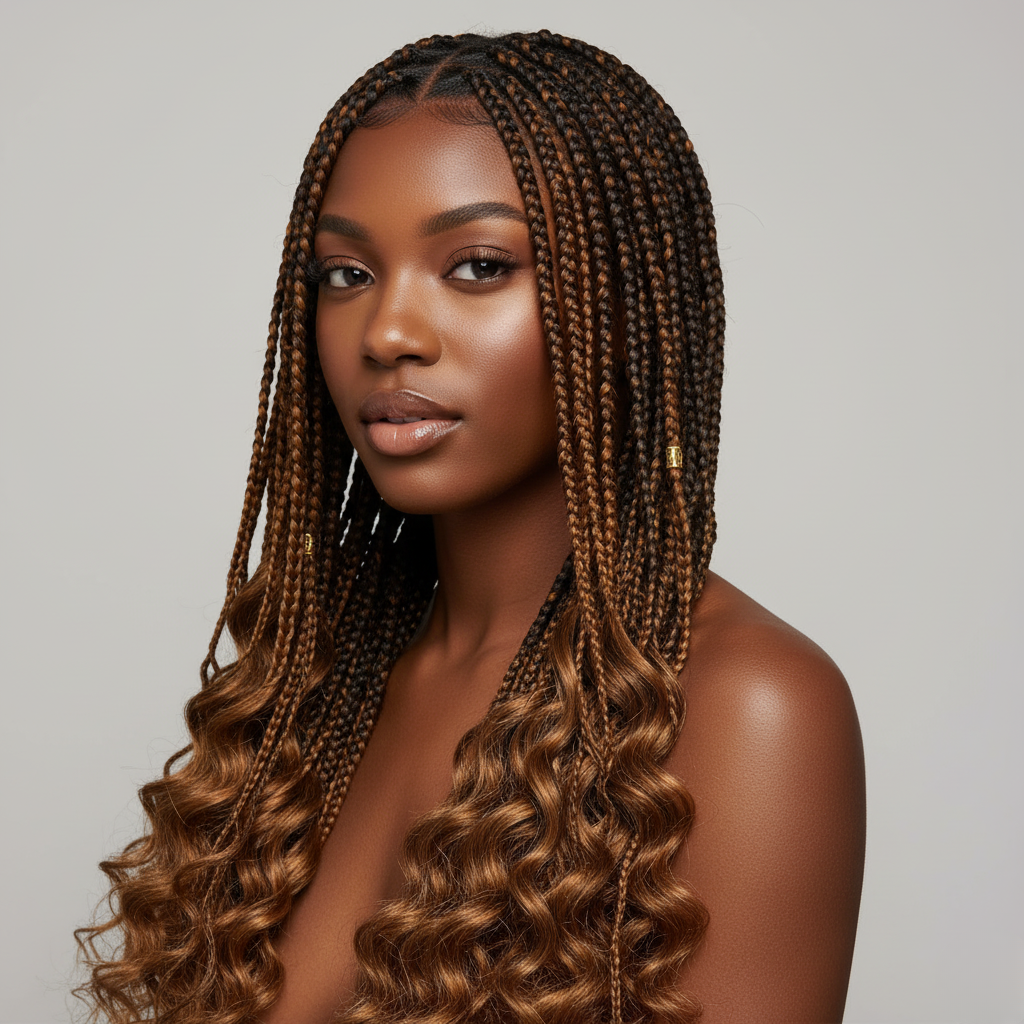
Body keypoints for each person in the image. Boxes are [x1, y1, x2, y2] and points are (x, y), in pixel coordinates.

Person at [76, 30, 865, 1024]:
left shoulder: (747, 705)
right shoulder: (320, 686)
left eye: (479, 265)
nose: (388, 332)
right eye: (345, 275)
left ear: (618, 303)